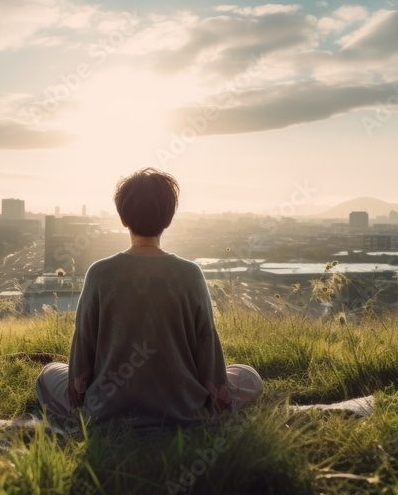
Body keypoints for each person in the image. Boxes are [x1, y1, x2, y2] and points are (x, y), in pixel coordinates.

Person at [35, 168, 263, 429]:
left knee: (48, 374)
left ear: (122, 218)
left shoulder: (99, 273)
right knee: (249, 377)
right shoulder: (190, 274)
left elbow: (83, 346)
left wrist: (81, 396)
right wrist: (215, 398)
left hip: (106, 411)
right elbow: (207, 346)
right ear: (168, 219)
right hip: (184, 411)